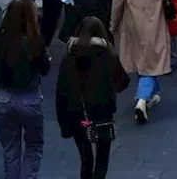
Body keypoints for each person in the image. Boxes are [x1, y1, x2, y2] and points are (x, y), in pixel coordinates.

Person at [54, 18, 129, 179]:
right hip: (102, 113)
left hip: (78, 115)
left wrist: (64, 122)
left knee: (85, 158)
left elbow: (62, 91)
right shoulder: (108, 55)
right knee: (102, 157)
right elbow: (123, 83)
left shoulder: (69, 57)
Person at [111, 0, 172, 124]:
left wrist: (113, 24)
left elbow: (118, 1)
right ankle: (142, 99)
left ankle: (152, 93)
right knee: (152, 62)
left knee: (141, 59)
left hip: (132, 23)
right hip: (154, 22)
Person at [0, 0, 51, 179]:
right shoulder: (35, 41)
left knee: (10, 146)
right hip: (29, 99)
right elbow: (44, 70)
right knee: (33, 145)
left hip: (5, 98)